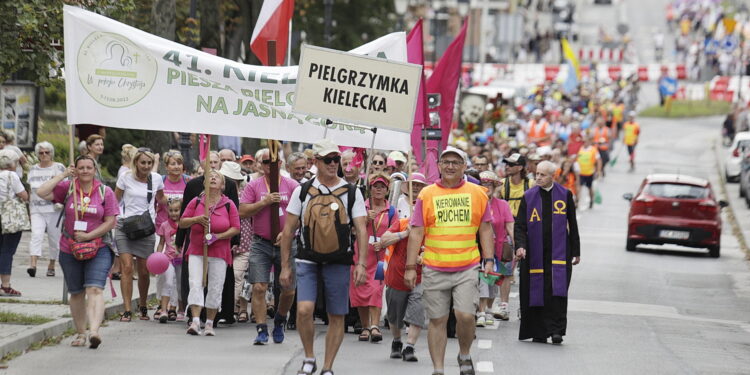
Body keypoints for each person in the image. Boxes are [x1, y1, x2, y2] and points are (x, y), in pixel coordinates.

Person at [279, 139, 368, 375]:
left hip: (339, 258)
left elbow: (361, 229)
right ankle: (309, 358)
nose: (332, 164)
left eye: (336, 159)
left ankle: (328, 366)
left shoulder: (352, 192)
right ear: (315, 162)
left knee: (336, 314)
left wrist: (361, 264)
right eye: (327, 160)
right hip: (308, 256)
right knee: (304, 310)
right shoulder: (303, 190)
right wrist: (285, 266)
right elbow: (288, 231)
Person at [404, 147, 495, 375]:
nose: (451, 166)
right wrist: (410, 267)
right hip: (435, 267)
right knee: (437, 320)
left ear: (464, 166)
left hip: (467, 267)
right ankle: (439, 369)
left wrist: (490, 260)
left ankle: (464, 354)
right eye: (446, 162)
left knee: (465, 315)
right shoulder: (427, 194)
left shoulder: (477, 193)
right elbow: (416, 232)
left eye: (456, 162)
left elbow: (485, 229)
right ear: (440, 166)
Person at [37, 155, 119, 348]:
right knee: (76, 292)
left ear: (94, 169)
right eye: (80, 167)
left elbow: (111, 221)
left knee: (95, 289)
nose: (84, 171)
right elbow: (41, 192)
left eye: (88, 167)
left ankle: (94, 331)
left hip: (98, 247)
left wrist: (90, 235)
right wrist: (64, 174)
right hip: (69, 247)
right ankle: (81, 333)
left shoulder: (104, 191)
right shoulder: (69, 188)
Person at [514, 161, 580, 344]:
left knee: (557, 291)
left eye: (543, 175)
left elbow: (572, 224)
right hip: (534, 252)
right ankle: (538, 331)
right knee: (536, 290)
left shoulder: (565, 194)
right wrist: (520, 246)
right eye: (537, 174)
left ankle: (556, 330)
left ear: (553, 176)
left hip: (559, 252)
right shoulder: (528, 196)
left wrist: (576, 250)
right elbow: (520, 225)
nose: (538, 178)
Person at [239, 148, 299, 345]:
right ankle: (262, 329)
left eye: (273, 162)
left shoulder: (292, 185)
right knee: (259, 287)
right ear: (260, 165)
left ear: (280, 164)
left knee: (288, 289)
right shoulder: (253, 185)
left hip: (287, 244)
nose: (269, 166)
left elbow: (302, 214)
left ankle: (280, 321)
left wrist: (288, 232)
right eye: (265, 162)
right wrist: (263, 202)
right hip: (261, 243)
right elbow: (242, 211)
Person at [176, 151, 240, 326]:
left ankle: (212, 320)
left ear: (222, 184)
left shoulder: (228, 203)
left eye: (216, 176)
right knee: (195, 282)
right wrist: (195, 221)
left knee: (215, 285)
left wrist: (221, 237)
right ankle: (195, 319)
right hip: (197, 247)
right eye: (209, 175)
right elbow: (182, 221)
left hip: (219, 250)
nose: (212, 176)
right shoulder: (195, 199)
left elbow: (236, 226)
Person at [114, 149, 166, 321]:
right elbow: (116, 200)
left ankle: (143, 305)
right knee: (127, 268)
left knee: (144, 271)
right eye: (143, 162)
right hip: (125, 226)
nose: (146, 166)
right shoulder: (125, 177)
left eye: (149, 163)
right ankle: (127, 308)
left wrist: (177, 202)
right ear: (136, 162)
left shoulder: (156, 179)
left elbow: (161, 199)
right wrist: (113, 218)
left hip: (145, 228)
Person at [380, 182, 425, 362]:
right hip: (397, 276)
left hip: (420, 278)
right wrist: (406, 234)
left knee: (418, 310)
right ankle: (397, 341)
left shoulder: (430, 228)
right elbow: (384, 240)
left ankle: (410, 347)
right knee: (394, 316)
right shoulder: (402, 224)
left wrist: (424, 256)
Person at [351, 173, 396, 343]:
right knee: (361, 290)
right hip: (361, 255)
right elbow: (352, 230)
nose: (378, 189)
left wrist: (384, 242)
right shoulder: (361, 207)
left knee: (376, 289)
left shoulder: (391, 210)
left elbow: (395, 231)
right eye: (375, 186)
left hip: (380, 258)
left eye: (382, 186)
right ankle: (364, 327)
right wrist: (364, 221)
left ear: (387, 189)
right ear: (369, 189)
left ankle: (375, 326)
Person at [478, 171, 515, 323]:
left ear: (494, 186)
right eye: (484, 184)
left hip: (498, 248)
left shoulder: (503, 205)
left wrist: (518, 247)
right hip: (479, 249)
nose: (487, 187)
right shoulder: (476, 202)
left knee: (493, 282)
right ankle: (481, 312)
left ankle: (488, 309)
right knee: (483, 280)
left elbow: (511, 227)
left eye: (489, 184)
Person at [26, 142, 66, 277]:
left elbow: (64, 187)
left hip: (54, 209)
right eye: (41, 152)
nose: (44, 155)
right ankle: (33, 265)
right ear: (37, 155)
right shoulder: (33, 169)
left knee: (54, 238)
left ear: (51, 153)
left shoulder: (59, 167)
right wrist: (30, 209)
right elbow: (30, 190)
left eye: (47, 152)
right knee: (36, 235)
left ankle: (52, 264)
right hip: (36, 208)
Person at [0, 150, 28, 297]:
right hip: (10, 219)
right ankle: (5, 286)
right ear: (12, 163)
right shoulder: (11, 176)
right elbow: (23, 195)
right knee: (7, 251)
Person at [155, 199, 182, 323]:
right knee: (168, 282)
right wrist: (158, 256)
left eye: (176, 210)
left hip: (182, 259)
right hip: (168, 259)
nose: (174, 213)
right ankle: (164, 310)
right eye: (171, 210)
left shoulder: (184, 225)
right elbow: (161, 243)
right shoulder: (164, 225)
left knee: (180, 285)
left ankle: (176, 309)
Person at [156, 151, 189, 232]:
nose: (177, 167)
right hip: (162, 227)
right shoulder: (160, 180)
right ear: (166, 167)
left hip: (182, 227)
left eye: (179, 163)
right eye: (173, 164)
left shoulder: (189, 181)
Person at [577, 137, 601, 209]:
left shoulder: (593, 150)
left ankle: (591, 200)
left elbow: (599, 160)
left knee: (589, 188)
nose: (585, 143)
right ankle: (577, 202)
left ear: (590, 142)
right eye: (584, 141)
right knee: (579, 188)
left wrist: (598, 171)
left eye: (586, 141)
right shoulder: (579, 149)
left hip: (589, 173)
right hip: (580, 173)